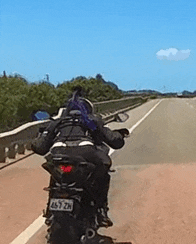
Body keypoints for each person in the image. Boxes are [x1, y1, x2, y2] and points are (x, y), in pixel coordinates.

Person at [31, 87, 129, 227]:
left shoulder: (57, 122)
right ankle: (101, 211)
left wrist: (37, 139)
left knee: (56, 174)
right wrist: (120, 135)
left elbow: (40, 148)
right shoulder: (91, 120)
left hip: (58, 154)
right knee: (103, 172)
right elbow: (114, 141)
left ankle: (50, 210)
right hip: (85, 153)